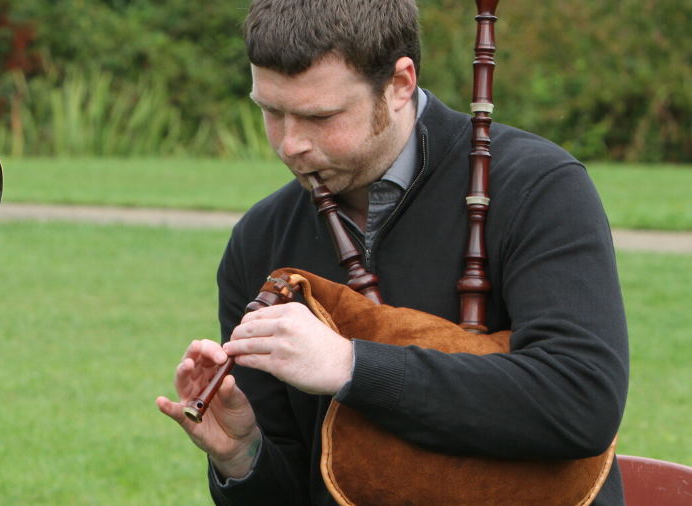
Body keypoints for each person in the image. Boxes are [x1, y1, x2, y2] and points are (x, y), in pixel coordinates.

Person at [155, 0, 629, 503]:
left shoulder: (538, 186)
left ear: (401, 84)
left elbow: (581, 401)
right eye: (271, 111)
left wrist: (351, 366)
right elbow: (295, 490)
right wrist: (243, 454)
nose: (290, 145)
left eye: (320, 116)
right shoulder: (261, 238)